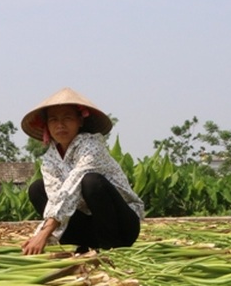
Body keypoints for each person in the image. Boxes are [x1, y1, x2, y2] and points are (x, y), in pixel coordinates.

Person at [19, 87, 144, 256]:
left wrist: (44, 233)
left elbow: (72, 186)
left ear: (80, 121)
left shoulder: (92, 146)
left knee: (91, 181)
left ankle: (110, 249)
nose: (60, 125)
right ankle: (82, 245)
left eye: (67, 118)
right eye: (53, 120)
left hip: (120, 226)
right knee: (37, 189)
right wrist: (38, 236)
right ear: (47, 125)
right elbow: (56, 198)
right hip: (89, 228)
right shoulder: (50, 159)